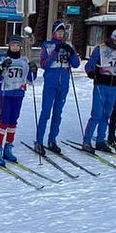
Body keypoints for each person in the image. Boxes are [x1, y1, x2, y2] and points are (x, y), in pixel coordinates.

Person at [34, 21, 80, 154]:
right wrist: (55, 51)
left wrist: (71, 52)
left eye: (62, 33)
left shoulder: (69, 45)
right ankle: (39, 141)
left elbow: (76, 64)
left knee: (58, 113)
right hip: (50, 83)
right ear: (53, 33)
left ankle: (52, 140)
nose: (60, 35)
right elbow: (44, 64)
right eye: (58, 32)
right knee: (46, 113)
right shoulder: (47, 45)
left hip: (63, 84)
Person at [0, 34, 38, 165]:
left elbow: (30, 79)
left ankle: (8, 147)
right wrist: (2, 67)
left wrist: (34, 70)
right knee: (3, 122)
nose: (15, 47)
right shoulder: (3, 58)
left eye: (17, 45)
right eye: (13, 45)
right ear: (9, 46)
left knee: (13, 122)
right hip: (5, 94)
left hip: (18, 94)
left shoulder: (24, 60)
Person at [82, 29, 116, 152]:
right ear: (112, 37)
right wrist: (91, 73)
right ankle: (87, 141)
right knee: (97, 114)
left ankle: (100, 141)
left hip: (114, 86)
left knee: (106, 114)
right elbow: (89, 66)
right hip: (101, 85)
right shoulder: (100, 49)